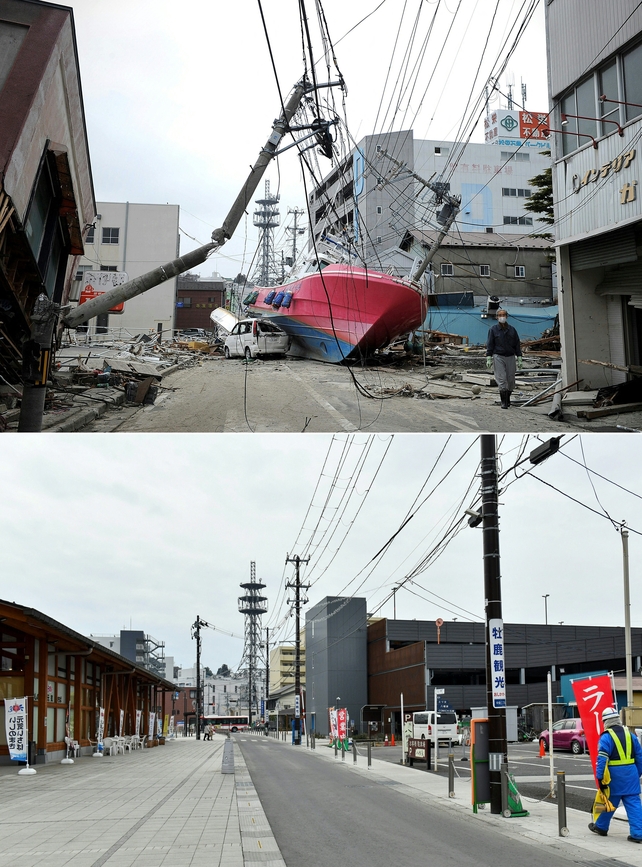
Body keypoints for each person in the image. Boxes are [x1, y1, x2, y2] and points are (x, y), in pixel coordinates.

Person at [589, 707, 642, 843]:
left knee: (608, 801)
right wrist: (637, 772)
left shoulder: (606, 737)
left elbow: (602, 759)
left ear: (605, 722)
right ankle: (638, 834)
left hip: (613, 776)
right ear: (617, 720)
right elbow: (640, 756)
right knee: (633, 803)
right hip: (631, 773)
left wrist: (600, 777)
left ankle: (601, 826)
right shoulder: (630, 735)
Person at [486, 309, 523, 408]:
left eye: (503, 315)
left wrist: (519, 356)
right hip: (498, 356)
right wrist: (488, 357)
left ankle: (508, 398)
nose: (502, 317)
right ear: (497, 317)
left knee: (510, 380)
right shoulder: (493, 330)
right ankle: (504, 402)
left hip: (510, 356)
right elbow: (490, 344)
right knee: (502, 379)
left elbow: (517, 344)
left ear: (507, 316)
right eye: (500, 315)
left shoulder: (512, 330)